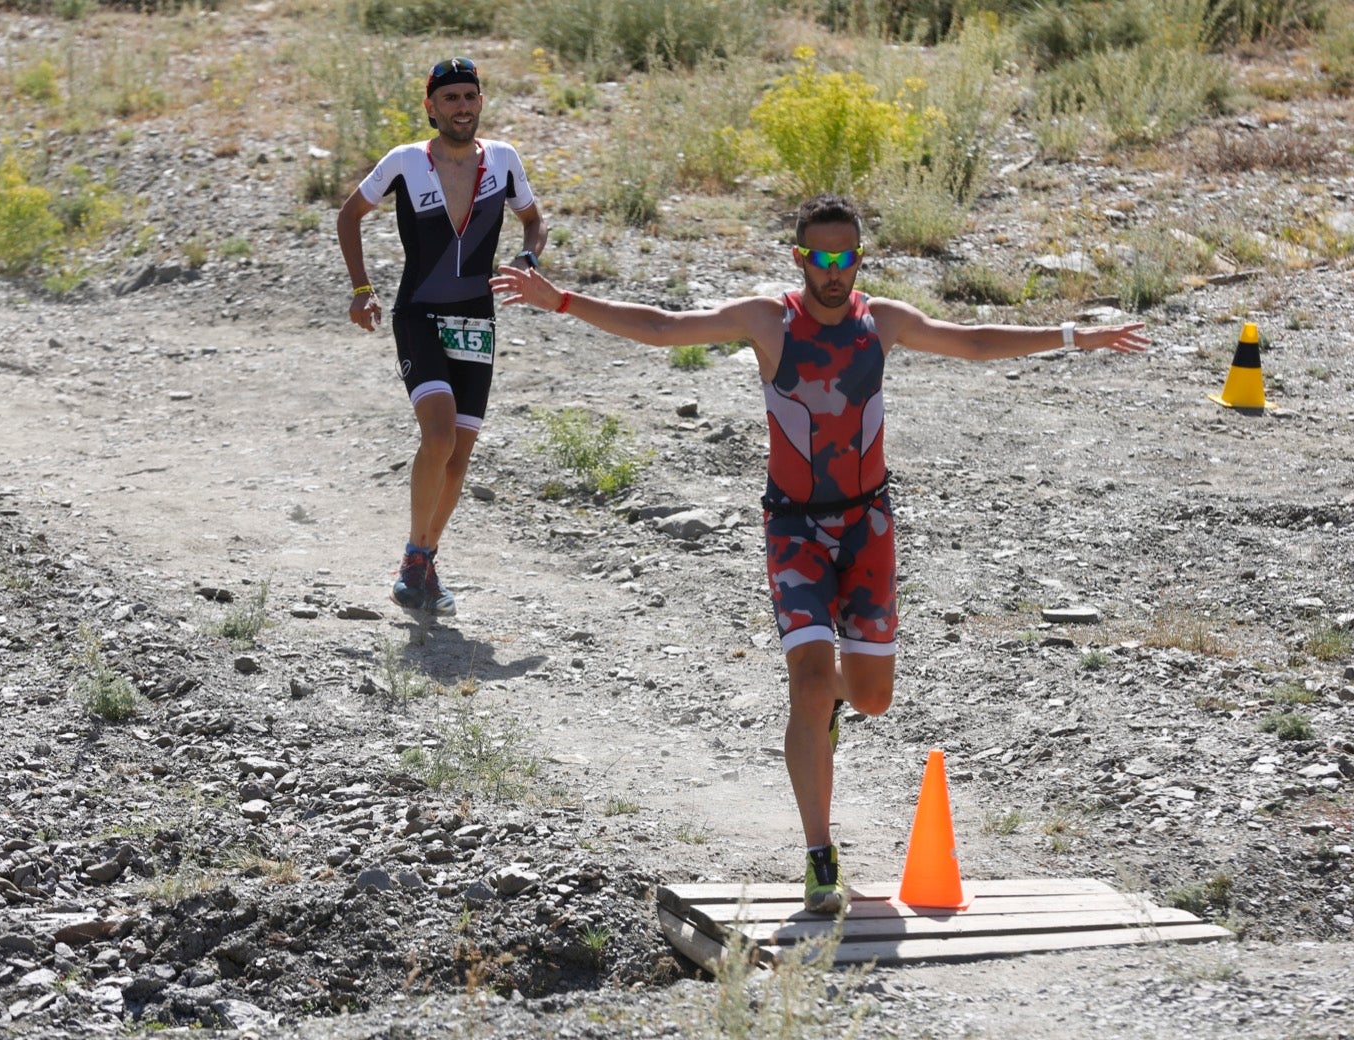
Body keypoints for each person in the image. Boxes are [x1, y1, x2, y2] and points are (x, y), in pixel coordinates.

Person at [491, 193, 1150, 913]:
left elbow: (971, 341)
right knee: (808, 680)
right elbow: (662, 326)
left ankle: (832, 707)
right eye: (820, 257)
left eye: (846, 257)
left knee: (871, 697)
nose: (833, 271)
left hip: (868, 528)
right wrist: (562, 302)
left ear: (858, 259)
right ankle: (819, 856)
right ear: (799, 257)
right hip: (794, 529)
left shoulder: (883, 321)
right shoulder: (766, 321)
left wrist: (1074, 337)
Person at [337, 56, 546, 616]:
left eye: (469, 96)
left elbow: (534, 219)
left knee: (460, 455)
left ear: (481, 102)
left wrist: (526, 258)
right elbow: (349, 215)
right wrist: (362, 288)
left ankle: (425, 559)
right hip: (419, 313)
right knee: (438, 436)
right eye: (449, 98)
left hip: (478, 318)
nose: (461, 107)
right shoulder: (406, 161)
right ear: (430, 107)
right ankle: (411, 560)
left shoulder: (503, 160)